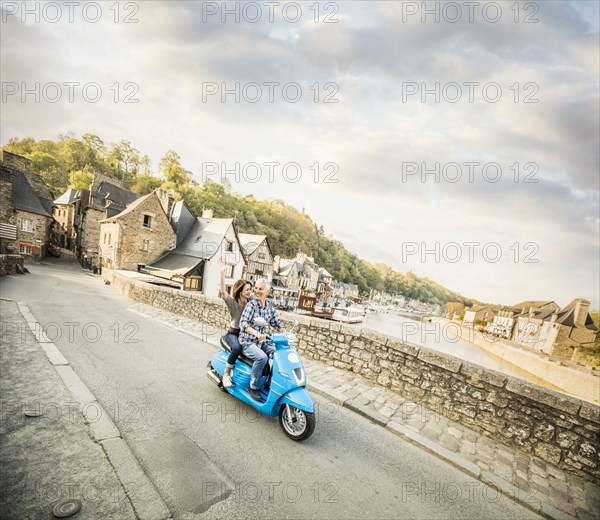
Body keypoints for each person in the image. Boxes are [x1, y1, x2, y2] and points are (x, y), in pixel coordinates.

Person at [239, 278, 283, 401]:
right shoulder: (251, 305)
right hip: (247, 341)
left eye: (261, 289)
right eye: (256, 288)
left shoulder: (270, 308)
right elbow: (243, 323)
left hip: (261, 342)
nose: (257, 291)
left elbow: (277, 324)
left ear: (267, 291)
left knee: (278, 354)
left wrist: (287, 334)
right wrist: (256, 333)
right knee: (262, 358)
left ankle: (270, 383)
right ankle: (253, 387)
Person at [219, 263, 253, 388]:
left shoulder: (251, 302)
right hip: (233, 333)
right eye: (247, 290)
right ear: (240, 292)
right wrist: (222, 273)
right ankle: (226, 375)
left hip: (247, 334)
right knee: (237, 348)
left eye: (250, 289)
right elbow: (223, 292)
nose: (250, 292)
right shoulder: (233, 303)